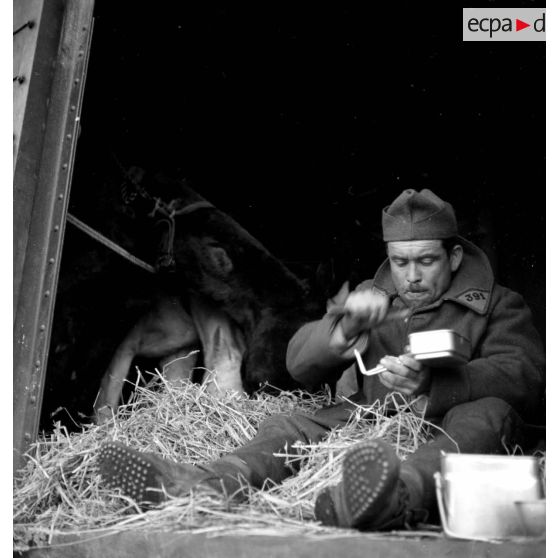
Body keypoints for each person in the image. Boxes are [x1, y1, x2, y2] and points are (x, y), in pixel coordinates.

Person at [97, 188, 545, 531]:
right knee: (291, 423)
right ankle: (205, 485)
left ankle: (396, 496)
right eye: (400, 261)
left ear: (455, 256)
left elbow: (527, 375)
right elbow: (296, 365)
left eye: (426, 261)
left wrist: (435, 385)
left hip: (449, 423)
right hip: (372, 419)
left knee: (489, 414)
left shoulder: (498, 304)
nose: (411, 276)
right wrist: (344, 330)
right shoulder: (374, 298)